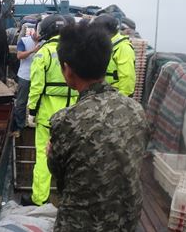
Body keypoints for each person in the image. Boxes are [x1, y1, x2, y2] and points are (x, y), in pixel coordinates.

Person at [47, 24, 148, 231]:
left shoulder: (66, 121)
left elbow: (59, 173)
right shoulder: (136, 110)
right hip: (128, 223)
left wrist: (51, 152)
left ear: (67, 69)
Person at [22, 14, 79, 206]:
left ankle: (39, 198)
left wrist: (31, 111)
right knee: (73, 157)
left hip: (48, 115)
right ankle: (70, 200)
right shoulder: (75, 51)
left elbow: (36, 85)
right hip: (73, 113)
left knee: (43, 155)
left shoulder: (44, 52)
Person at [90, 14, 136, 97]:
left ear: (104, 31)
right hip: (103, 94)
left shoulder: (123, 48)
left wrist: (122, 99)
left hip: (115, 97)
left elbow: (127, 76)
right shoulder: (105, 45)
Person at [10, 27, 40, 134]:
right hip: (25, 76)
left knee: (38, 101)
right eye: (38, 31)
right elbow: (19, 55)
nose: (39, 34)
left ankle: (36, 123)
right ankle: (20, 125)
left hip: (39, 77)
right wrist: (33, 50)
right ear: (35, 30)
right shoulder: (24, 41)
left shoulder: (45, 42)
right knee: (22, 102)